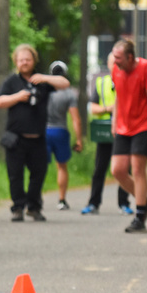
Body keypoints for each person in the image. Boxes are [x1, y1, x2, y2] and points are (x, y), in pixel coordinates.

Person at [0, 44, 70, 222]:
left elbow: (65, 84)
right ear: (16, 62)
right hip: (16, 138)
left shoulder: (42, 80)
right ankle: (18, 208)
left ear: (34, 60)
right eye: (21, 60)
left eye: (28, 59)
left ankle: (34, 207)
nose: (24, 63)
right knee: (15, 175)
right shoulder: (11, 81)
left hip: (38, 138)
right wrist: (18, 97)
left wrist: (45, 78)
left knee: (39, 173)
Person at [109, 39, 147, 233]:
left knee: (138, 169)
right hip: (123, 126)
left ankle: (139, 217)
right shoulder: (116, 70)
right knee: (117, 170)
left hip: (143, 125)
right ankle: (144, 202)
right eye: (114, 57)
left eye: (119, 58)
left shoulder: (145, 67)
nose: (116, 62)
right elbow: (118, 97)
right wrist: (115, 121)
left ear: (130, 57)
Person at [82, 52, 131, 215]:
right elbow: (92, 108)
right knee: (99, 169)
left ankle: (124, 203)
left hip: (125, 132)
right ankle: (94, 203)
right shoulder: (101, 83)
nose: (116, 66)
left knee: (124, 169)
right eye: (113, 63)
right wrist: (108, 109)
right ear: (108, 65)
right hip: (104, 133)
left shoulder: (130, 81)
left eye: (119, 62)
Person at [44, 61, 83, 211]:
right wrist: (78, 139)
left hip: (44, 131)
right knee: (62, 167)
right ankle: (61, 199)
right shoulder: (69, 93)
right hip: (60, 131)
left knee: (40, 167)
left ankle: (36, 198)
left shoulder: (45, 91)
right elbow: (76, 119)